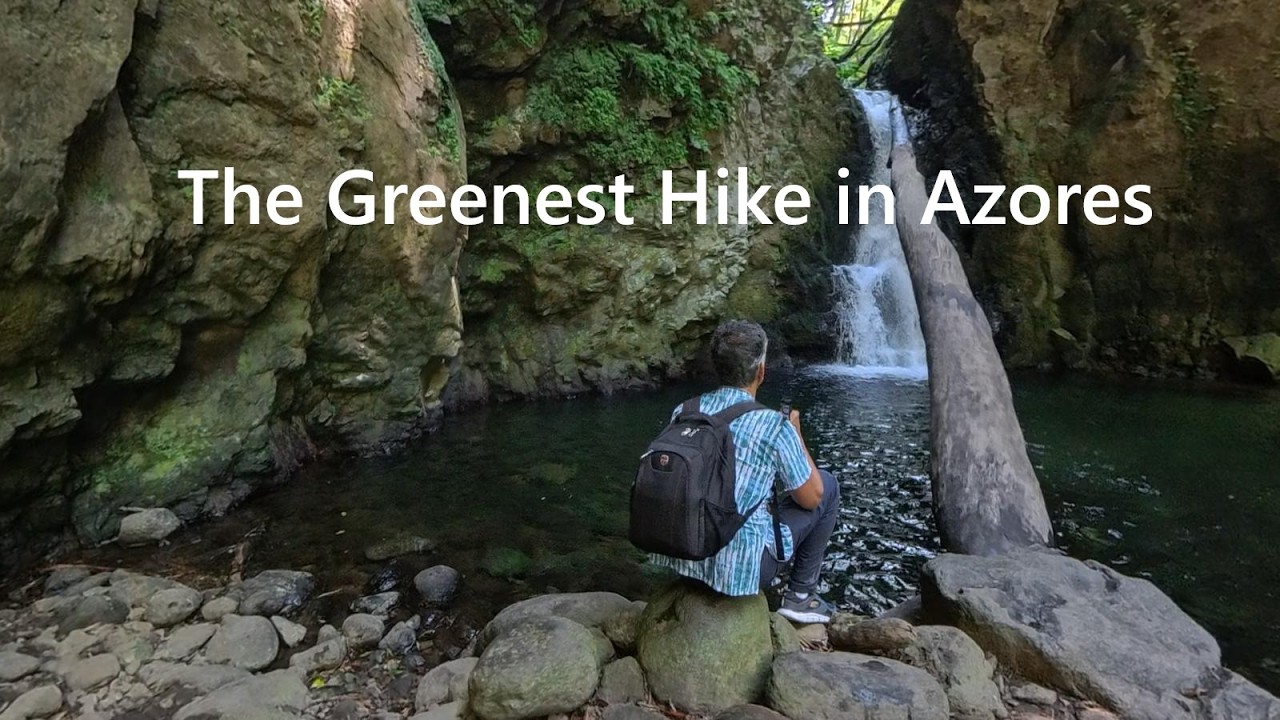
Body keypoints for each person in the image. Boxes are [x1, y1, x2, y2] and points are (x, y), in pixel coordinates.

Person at [649, 320, 842, 623]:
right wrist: (798, 437)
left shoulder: (685, 411)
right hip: (740, 572)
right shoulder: (774, 426)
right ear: (761, 372)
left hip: (684, 553)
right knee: (827, 487)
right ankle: (800, 597)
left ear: (717, 367)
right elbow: (811, 498)